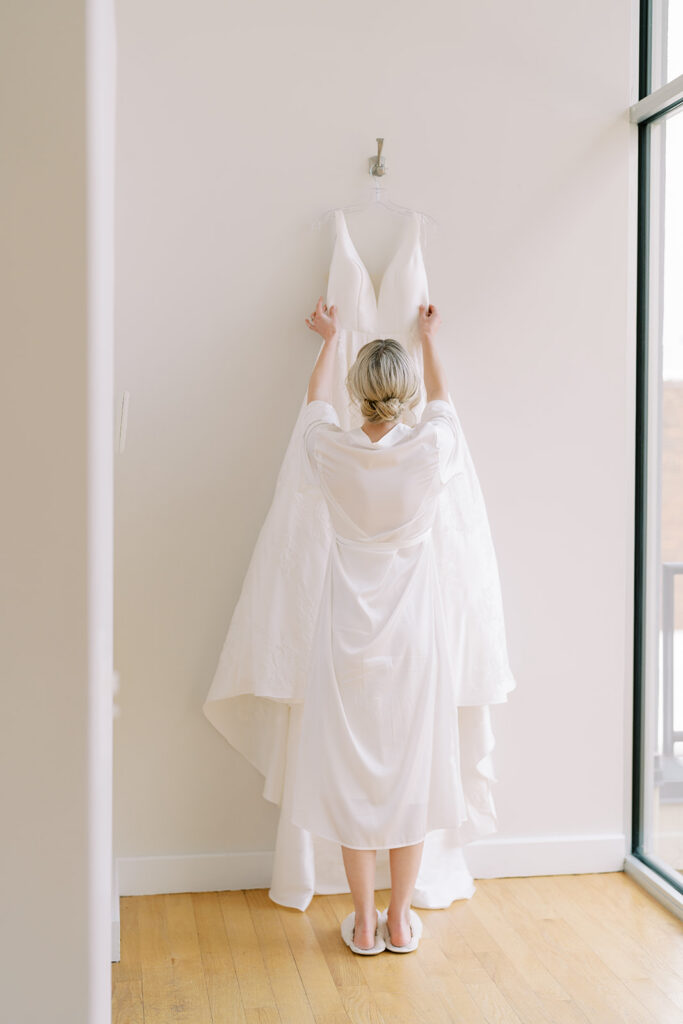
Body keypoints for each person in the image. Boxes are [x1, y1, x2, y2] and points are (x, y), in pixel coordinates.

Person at [299, 295, 459, 953]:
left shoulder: (330, 451)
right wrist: (426, 337)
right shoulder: (429, 449)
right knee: (407, 772)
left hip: (345, 637)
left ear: (355, 392)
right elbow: (444, 403)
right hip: (412, 639)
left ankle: (362, 922)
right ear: (406, 394)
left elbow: (313, 406)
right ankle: (399, 920)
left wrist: (329, 338)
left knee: (352, 775)